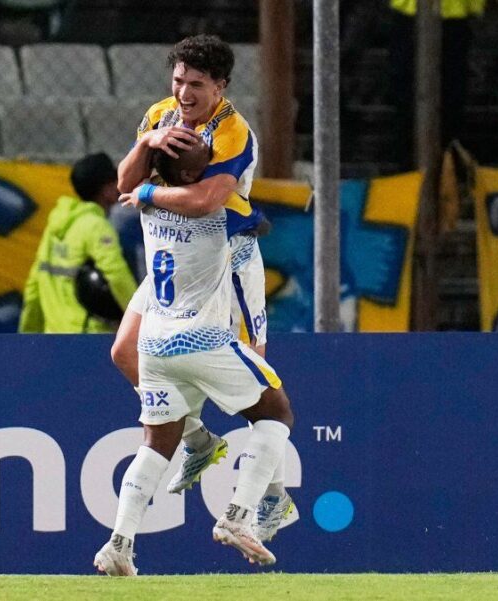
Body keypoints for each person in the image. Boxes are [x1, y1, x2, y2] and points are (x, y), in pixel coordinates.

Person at [108, 34, 294, 552]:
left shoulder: (234, 132)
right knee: (125, 352)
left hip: (227, 263)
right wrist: (145, 147)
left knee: (252, 380)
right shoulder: (160, 115)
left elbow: (210, 197)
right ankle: (197, 440)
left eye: (195, 84)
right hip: (175, 254)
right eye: (178, 82)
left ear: (220, 86)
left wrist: (146, 192)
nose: (184, 94)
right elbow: (124, 177)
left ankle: (271, 495)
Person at [19, 152, 137, 333]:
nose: (119, 186)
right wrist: (140, 321)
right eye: (115, 182)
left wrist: (27, 335)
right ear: (105, 190)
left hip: (55, 336)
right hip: (88, 336)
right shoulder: (96, 226)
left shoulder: (56, 225)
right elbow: (116, 274)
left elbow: (34, 285)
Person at [386, 0, 485, 170]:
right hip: (443, 15)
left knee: (413, 94)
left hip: (434, 14)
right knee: (443, 96)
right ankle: (429, 165)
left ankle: (418, 165)